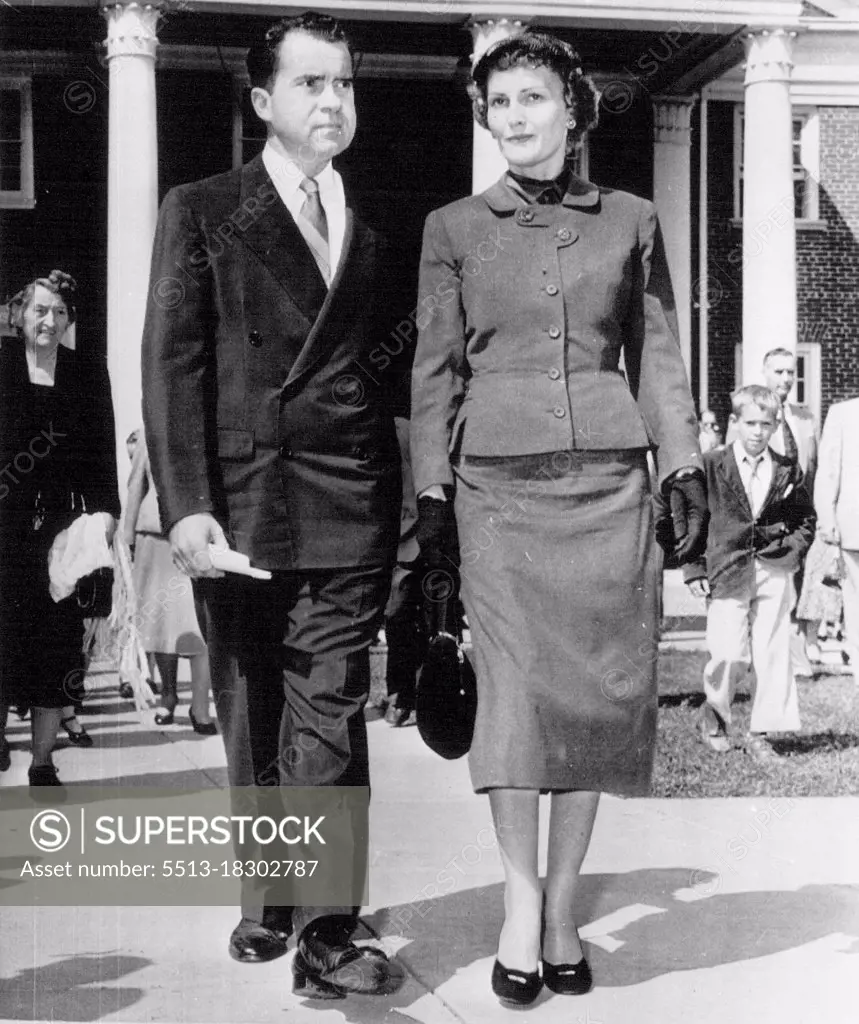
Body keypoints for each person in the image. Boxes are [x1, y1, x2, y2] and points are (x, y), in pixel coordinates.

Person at [410, 32, 704, 1005]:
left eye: (534, 98)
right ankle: (519, 902)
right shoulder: (452, 229)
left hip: (608, 492)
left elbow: (657, 357)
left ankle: (566, 903)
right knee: (513, 712)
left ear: (573, 111)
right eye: (499, 103)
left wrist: (685, 465)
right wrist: (432, 500)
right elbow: (436, 373)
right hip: (496, 497)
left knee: (590, 708)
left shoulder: (630, 220)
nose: (517, 117)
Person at [141, 12, 400, 997]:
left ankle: (330, 926)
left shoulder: (372, 224)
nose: (332, 101)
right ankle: (268, 901)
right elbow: (171, 365)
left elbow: (386, 381)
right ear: (262, 103)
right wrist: (187, 507)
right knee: (250, 708)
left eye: (343, 83)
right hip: (240, 509)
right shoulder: (202, 208)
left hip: (344, 505)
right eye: (310, 85)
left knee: (329, 709)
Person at [0, 270, 120, 785]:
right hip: (4, 529)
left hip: (62, 532)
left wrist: (107, 513)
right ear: (19, 314)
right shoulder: (2, 365)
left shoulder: (86, 373)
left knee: (55, 645)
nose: (49, 320)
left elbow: (102, 452)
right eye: (40, 310)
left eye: (59, 313)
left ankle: (43, 761)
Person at [684, 385, 816, 760]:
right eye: (750, 423)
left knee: (773, 652)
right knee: (728, 652)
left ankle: (763, 732)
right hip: (727, 568)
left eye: (766, 424)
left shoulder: (787, 469)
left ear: (776, 425)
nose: (758, 431)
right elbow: (691, 518)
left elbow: (805, 519)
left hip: (773, 569)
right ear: (734, 423)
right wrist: (694, 567)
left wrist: (791, 552)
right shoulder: (711, 465)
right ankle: (715, 717)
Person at [122, 433, 215, 733]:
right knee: (163, 628)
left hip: (201, 540)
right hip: (156, 541)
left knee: (200, 627)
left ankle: (200, 707)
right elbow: (136, 486)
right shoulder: (150, 427)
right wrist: (127, 540)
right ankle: (168, 695)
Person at [375, 416, 425, 728]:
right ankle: (404, 697)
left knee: (401, 622)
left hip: (403, 543)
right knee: (404, 623)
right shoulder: (403, 428)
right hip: (407, 541)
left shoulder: (399, 430)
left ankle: (404, 699)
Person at [815, 395, 859, 669]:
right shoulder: (843, 414)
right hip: (854, 522)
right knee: (854, 597)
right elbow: (828, 471)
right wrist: (827, 517)